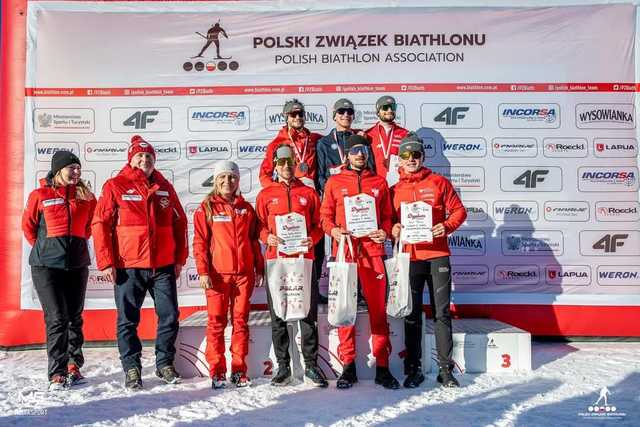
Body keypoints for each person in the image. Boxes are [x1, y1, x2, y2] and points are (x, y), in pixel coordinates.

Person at [92, 135, 188, 390]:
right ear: (131, 159)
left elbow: (180, 223)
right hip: (128, 266)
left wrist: (179, 259)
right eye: (140, 156)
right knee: (127, 320)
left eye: (149, 157)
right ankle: (132, 368)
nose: (145, 160)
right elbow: (100, 223)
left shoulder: (165, 186)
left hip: (162, 266)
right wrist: (106, 261)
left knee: (169, 316)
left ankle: (164, 362)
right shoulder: (115, 185)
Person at [320, 134, 399, 390]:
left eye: (364, 150)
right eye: (355, 150)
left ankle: (383, 367)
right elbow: (325, 217)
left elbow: (387, 217)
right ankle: (348, 367)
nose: (360, 155)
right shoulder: (334, 182)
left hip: (373, 252)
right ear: (346, 154)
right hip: (346, 254)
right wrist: (333, 232)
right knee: (346, 311)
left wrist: (385, 232)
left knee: (378, 312)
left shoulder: (379, 182)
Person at [390, 133, 467, 388]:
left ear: (423, 156)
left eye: (416, 155)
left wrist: (446, 226)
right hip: (410, 257)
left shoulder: (439, 182)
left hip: (437, 256)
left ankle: (446, 370)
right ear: (399, 160)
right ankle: (413, 369)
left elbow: (459, 211)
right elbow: (387, 220)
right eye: (406, 155)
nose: (411, 159)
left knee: (441, 313)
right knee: (412, 315)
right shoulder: (395, 189)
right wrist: (394, 228)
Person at [22, 151, 96, 391]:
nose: (76, 173)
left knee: (75, 318)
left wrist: (72, 249)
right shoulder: (40, 195)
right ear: (58, 170)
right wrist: (48, 249)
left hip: (77, 266)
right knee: (56, 319)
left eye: (78, 169)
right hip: (46, 267)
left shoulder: (87, 198)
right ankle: (57, 373)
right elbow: (29, 227)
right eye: (71, 168)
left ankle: (74, 366)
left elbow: (88, 228)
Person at [255, 145, 328, 388]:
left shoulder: (308, 192)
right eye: (281, 163)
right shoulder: (265, 194)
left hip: (303, 260)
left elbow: (320, 224)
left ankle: (311, 365)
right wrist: (268, 238)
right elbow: (258, 227)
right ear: (275, 166)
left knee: (307, 315)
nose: (286, 167)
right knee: (279, 316)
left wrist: (313, 238)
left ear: (295, 164)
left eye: (290, 162)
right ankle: (283, 367)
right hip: (277, 261)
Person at [192, 160, 264, 389]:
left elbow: (254, 241)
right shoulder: (207, 208)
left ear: (238, 180)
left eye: (232, 177)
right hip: (217, 276)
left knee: (241, 322)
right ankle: (217, 371)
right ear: (215, 180)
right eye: (222, 177)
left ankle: (239, 370)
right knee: (216, 323)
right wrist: (203, 272)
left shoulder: (246, 208)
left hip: (244, 275)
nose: (227, 181)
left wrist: (259, 267)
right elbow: (200, 243)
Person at [259, 99, 321, 189]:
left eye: (300, 114)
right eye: (293, 114)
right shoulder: (276, 144)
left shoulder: (316, 139)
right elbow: (264, 175)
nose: (297, 117)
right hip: (290, 192)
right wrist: (276, 190)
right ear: (286, 118)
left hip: (311, 192)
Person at [316, 98, 375, 191]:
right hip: (335, 194)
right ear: (334, 116)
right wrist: (331, 190)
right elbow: (320, 176)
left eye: (350, 112)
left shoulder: (360, 140)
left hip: (357, 193)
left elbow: (371, 169)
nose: (346, 115)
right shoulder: (324, 143)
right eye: (341, 111)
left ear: (353, 116)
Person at [365, 95, 409, 183]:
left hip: (398, 184)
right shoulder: (368, 134)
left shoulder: (405, 134)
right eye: (385, 107)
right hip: (375, 184)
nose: (389, 110)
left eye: (392, 107)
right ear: (378, 112)